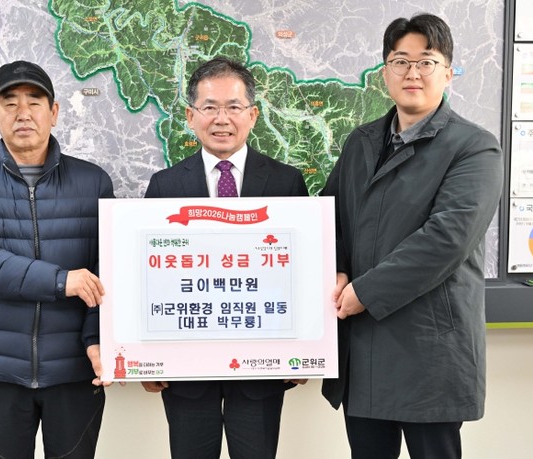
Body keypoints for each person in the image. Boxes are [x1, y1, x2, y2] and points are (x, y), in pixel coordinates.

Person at [320, 13, 504, 459]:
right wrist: (338, 269)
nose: (412, 73)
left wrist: (364, 291)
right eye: (400, 61)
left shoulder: (475, 147)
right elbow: (329, 217)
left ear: (448, 73)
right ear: (385, 72)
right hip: (363, 351)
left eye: (426, 61)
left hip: (430, 352)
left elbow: (446, 240)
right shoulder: (361, 142)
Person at [143, 57, 309, 459]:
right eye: (210, 107)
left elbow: (304, 273)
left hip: (263, 368)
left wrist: (306, 350)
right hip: (185, 370)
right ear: (190, 116)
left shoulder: (286, 181)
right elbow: (148, 279)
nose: (222, 119)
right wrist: (147, 359)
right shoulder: (165, 186)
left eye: (234, 107)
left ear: (252, 115)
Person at [0, 60, 115, 459]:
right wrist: (61, 280)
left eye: (35, 102)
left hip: (74, 371)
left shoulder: (93, 182)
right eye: (9, 103)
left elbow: (108, 270)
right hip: (1, 371)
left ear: (53, 112)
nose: (22, 113)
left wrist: (96, 339)